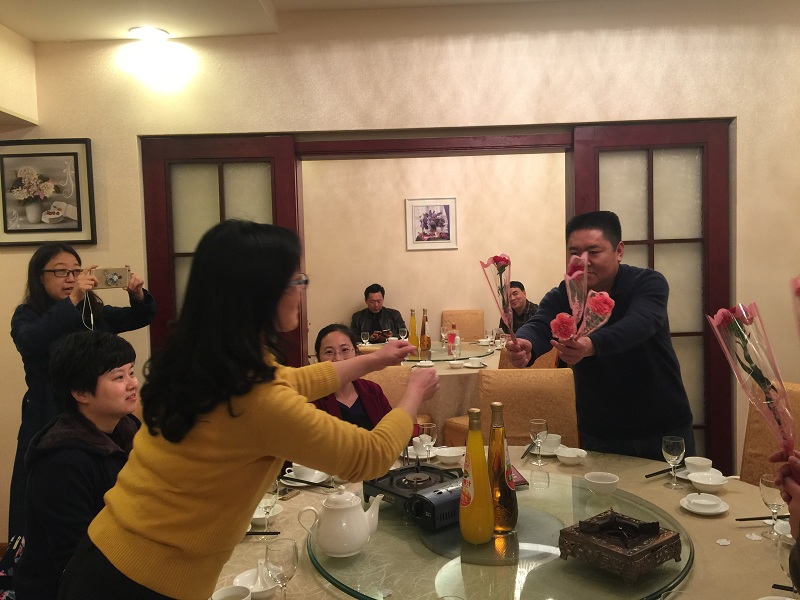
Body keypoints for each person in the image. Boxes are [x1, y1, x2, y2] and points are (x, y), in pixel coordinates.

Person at [58, 220, 439, 600]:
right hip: (142, 584)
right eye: (296, 280)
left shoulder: (203, 361)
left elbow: (292, 380)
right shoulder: (255, 397)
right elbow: (369, 456)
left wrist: (373, 360)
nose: (301, 290)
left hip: (104, 554)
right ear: (262, 294)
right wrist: (414, 394)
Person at [507, 210, 694, 461]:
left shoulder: (647, 283)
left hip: (662, 428)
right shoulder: (567, 292)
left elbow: (640, 323)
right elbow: (542, 321)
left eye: (593, 252)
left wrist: (591, 344)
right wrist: (526, 342)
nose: (583, 261)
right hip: (601, 430)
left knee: (672, 487)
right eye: (574, 252)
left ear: (619, 251)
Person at [8, 243, 155, 541]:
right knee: (49, 496)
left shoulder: (94, 312)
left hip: (100, 419)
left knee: (104, 488)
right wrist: (73, 299)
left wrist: (138, 294)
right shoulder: (28, 315)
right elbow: (31, 340)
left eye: (76, 271)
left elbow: (139, 316)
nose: (71, 278)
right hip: (49, 413)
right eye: (60, 272)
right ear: (39, 277)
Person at [14, 331, 140, 600]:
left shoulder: (129, 431)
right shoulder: (62, 460)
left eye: (131, 372)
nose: (133, 384)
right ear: (81, 393)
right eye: (119, 377)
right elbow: (75, 560)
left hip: (121, 571)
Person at [313, 323, 420, 436]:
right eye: (329, 352)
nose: (338, 359)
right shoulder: (313, 399)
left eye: (344, 350)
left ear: (356, 353)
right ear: (318, 358)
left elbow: (392, 433)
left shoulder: (372, 390)